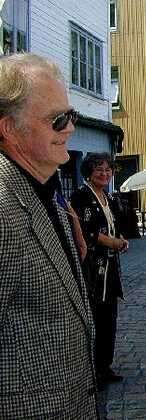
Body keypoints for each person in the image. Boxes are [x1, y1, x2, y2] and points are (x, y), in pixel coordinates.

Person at [0, 53, 97, 418]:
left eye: (71, 116)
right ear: (10, 129)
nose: (70, 129)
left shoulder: (43, 190)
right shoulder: (3, 205)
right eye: (57, 120)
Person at [70, 153, 128, 387]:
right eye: (99, 169)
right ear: (89, 172)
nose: (104, 174)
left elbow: (114, 227)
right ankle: (90, 370)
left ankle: (104, 366)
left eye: (107, 170)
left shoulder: (109, 197)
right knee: (92, 317)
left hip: (110, 268)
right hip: (92, 268)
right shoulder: (81, 196)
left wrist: (120, 240)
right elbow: (84, 230)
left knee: (108, 318)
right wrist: (111, 242)